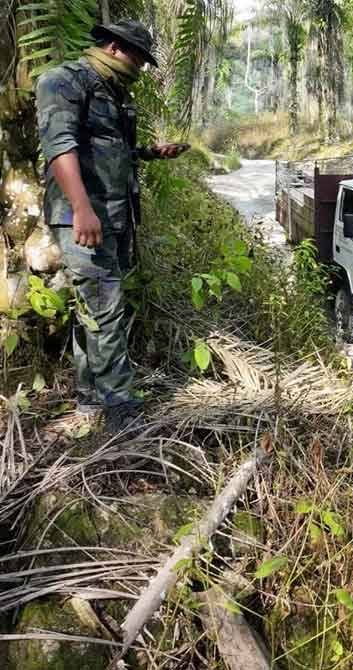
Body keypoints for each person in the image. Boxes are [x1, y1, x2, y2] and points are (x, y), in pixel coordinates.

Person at [35, 20, 189, 430]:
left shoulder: (112, 91)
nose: (140, 65)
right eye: (137, 55)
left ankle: (88, 398)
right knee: (106, 311)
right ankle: (121, 409)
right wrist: (82, 208)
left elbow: (109, 151)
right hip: (83, 218)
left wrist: (151, 153)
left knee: (93, 309)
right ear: (116, 47)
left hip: (113, 219)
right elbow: (59, 148)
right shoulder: (64, 81)